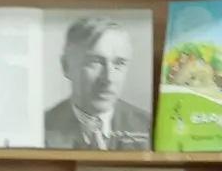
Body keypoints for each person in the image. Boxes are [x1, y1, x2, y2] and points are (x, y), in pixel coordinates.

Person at [43, 16, 151, 151]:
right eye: (95, 62)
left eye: (119, 63)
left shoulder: (148, 126)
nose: (109, 78)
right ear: (66, 66)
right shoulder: (40, 128)